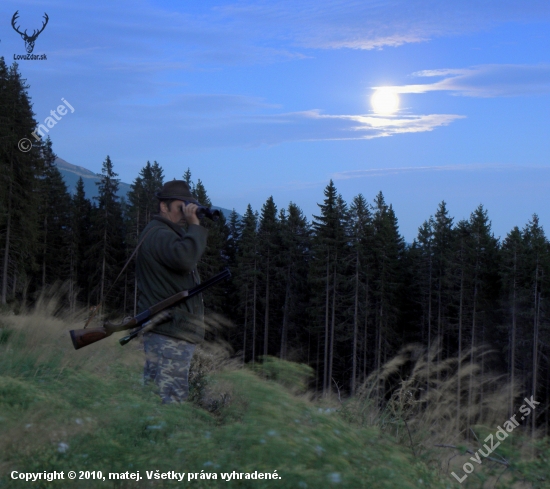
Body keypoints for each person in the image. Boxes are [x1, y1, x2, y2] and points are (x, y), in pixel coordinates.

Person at [136, 180, 208, 403]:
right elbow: (185, 259)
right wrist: (194, 226)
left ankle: (147, 435)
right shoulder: (160, 235)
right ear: (163, 207)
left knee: (155, 396)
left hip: (166, 329)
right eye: (180, 206)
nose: (185, 212)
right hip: (169, 332)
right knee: (170, 401)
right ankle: (164, 438)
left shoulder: (161, 233)